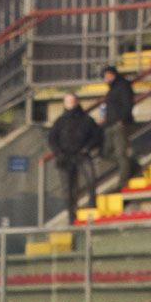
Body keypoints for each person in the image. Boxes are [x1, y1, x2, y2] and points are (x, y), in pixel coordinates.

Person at [48, 92, 103, 221]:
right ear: (64, 104)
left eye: (73, 101)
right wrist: (59, 152)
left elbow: (96, 135)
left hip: (82, 155)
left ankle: (92, 204)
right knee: (67, 188)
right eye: (68, 101)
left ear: (77, 102)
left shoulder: (86, 119)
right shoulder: (60, 121)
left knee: (91, 179)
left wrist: (87, 148)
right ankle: (71, 214)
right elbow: (52, 139)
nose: (71, 104)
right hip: (65, 158)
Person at [100, 64, 137, 188]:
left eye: (109, 75)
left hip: (120, 125)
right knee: (105, 152)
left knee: (120, 152)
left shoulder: (123, 86)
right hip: (110, 124)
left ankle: (123, 181)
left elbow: (128, 104)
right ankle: (130, 165)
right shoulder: (111, 89)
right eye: (105, 76)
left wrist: (122, 120)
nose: (107, 78)